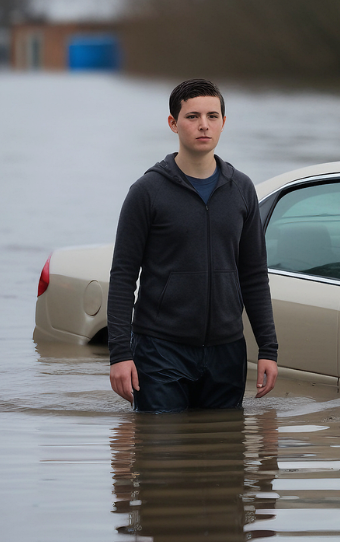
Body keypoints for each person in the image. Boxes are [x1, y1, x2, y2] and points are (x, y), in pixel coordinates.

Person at [107, 78, 278, 412]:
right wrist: (120, 355)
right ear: (173, 123)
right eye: (192, 116)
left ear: (224, 123)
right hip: (160, 350)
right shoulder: (147, 191)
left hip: (227, 351)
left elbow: (255, 275)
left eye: (213, 116)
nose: (204, 125)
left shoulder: (241, 189)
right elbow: (123, 276)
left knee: (225, 456)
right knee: (161, 456)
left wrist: (268, 349)